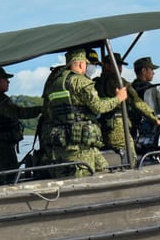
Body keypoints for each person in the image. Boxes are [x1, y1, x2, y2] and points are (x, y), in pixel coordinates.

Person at [38, 49, 127, 177]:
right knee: (84, 176)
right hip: (80, 146)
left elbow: (47, 111)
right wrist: (118, 98)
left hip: (63, 142)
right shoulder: (81, 82)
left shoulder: (54, 83)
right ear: (80, 64)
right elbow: (99, 107)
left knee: (104, 169)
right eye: (86, 63)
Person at [95, 53, 160, 161]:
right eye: (116, 64)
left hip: (101, 128)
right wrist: (155, 119)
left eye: (120, 65)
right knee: (131, 157)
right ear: (106, 66)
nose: (120, 68)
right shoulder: (120, 82)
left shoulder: (95, 83)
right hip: (118, 128)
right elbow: (136, 102)